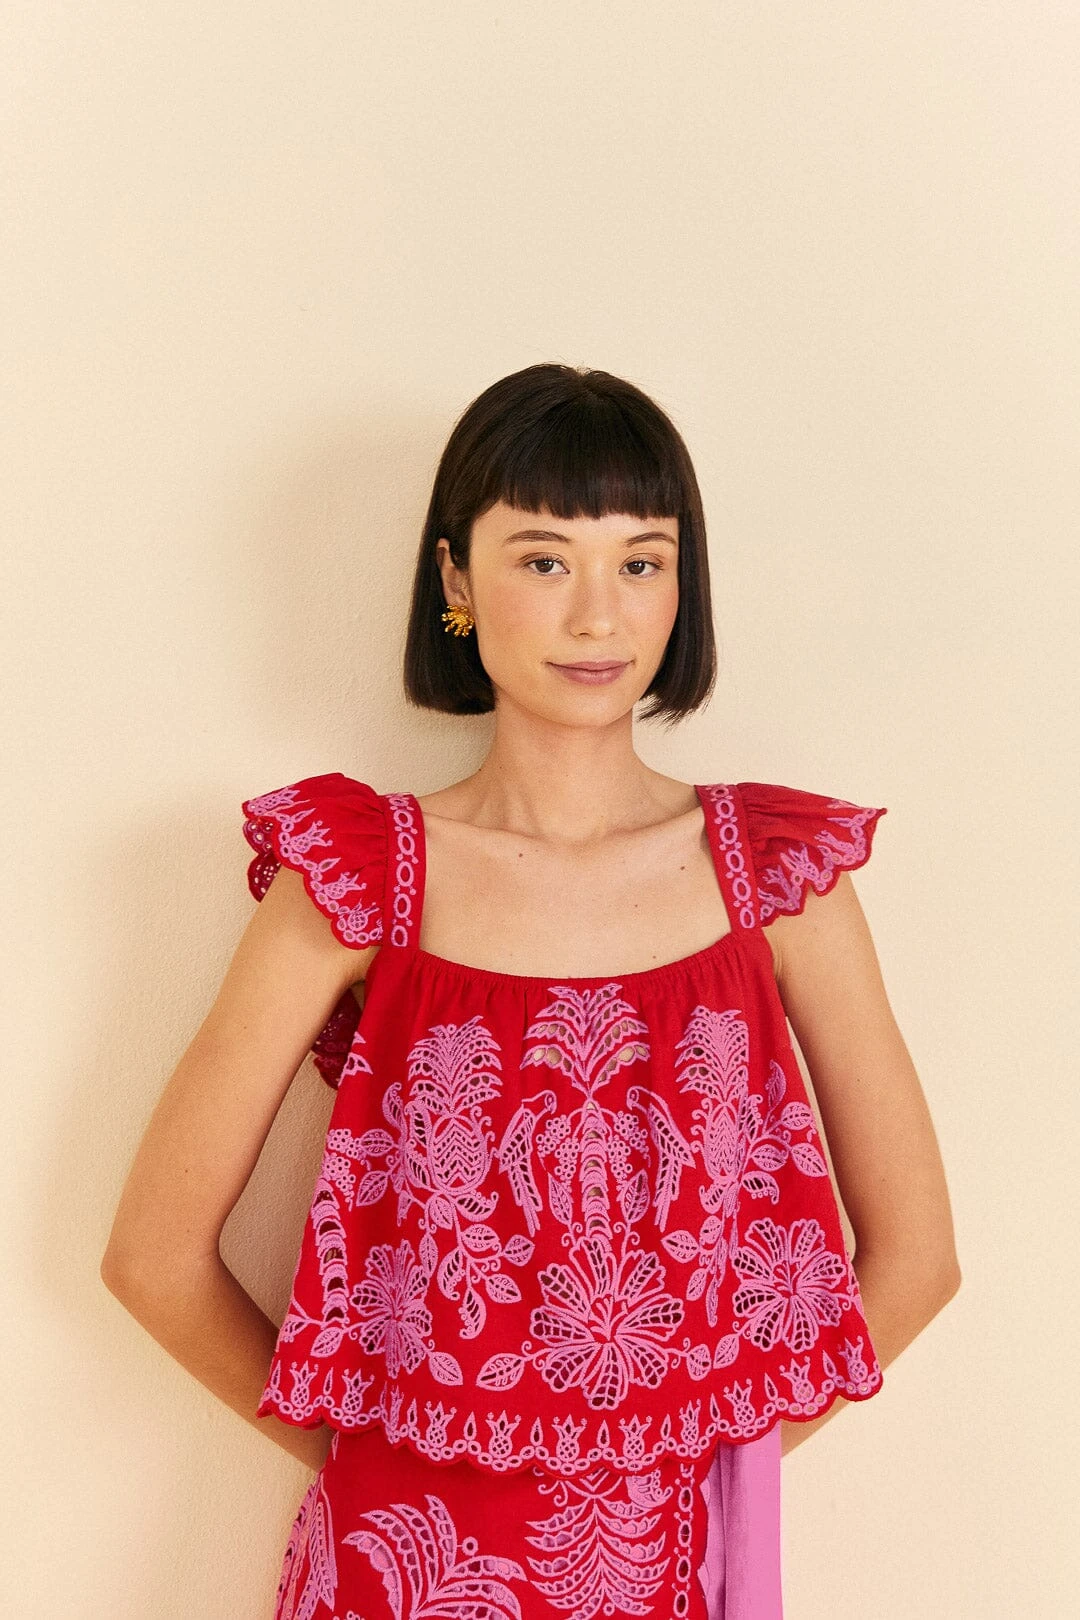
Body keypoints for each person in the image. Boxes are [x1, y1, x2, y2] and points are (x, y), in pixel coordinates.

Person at [101, 363, 961, 1619]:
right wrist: (374, 1456)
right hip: (396, 1570)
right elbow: (152, 1258)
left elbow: (919, 1260)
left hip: (679, 1567)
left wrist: (712, 1461)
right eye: (545, 560)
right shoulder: (356, 880)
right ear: (455, 579)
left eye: (642, 561)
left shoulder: (779, 882)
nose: (598, 614)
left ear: (683, 584)